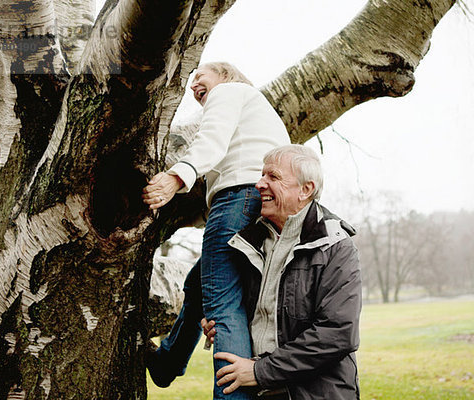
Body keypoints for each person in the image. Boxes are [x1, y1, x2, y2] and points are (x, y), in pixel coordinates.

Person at [142, 62, 290, 399]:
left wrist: (176, 176)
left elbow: (212, 140)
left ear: (225, 75)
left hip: (238, 199)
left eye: (200, 76)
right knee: (199, 285)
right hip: (265, 207)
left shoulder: (229, 91)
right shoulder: (260, 113)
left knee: (223, 307)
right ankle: (169, 361)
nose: (194, 85)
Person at [203, 144, 362, 400]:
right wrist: (221, 324)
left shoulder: (335, 246)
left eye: (273, 177)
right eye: (262, 175)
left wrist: (259, 371)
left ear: (305, 189)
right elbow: (251, 312)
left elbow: (337, 333)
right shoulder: (248, 243)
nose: (259, 184)